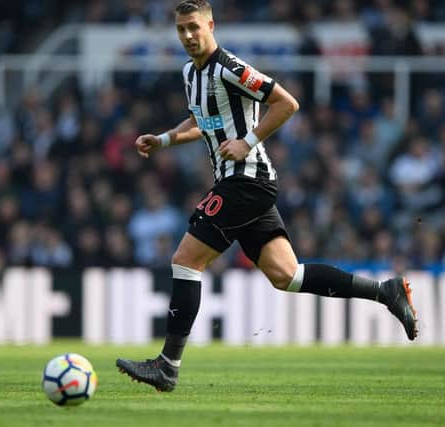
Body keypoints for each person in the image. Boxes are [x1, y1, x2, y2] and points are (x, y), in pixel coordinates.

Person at [116, 0, 418, 393]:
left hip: (246, 180)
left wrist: (248, 141)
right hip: (242, 184)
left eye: (194, 27)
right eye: (181, 30)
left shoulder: (230, 67)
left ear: (211, 24)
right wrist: (164, 139)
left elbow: (286, 103)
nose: (188, 36)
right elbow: (202, 120)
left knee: (185, 260)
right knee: (286, 275)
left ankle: (168, 366)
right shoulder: (190, 73)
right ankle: (386, 291)